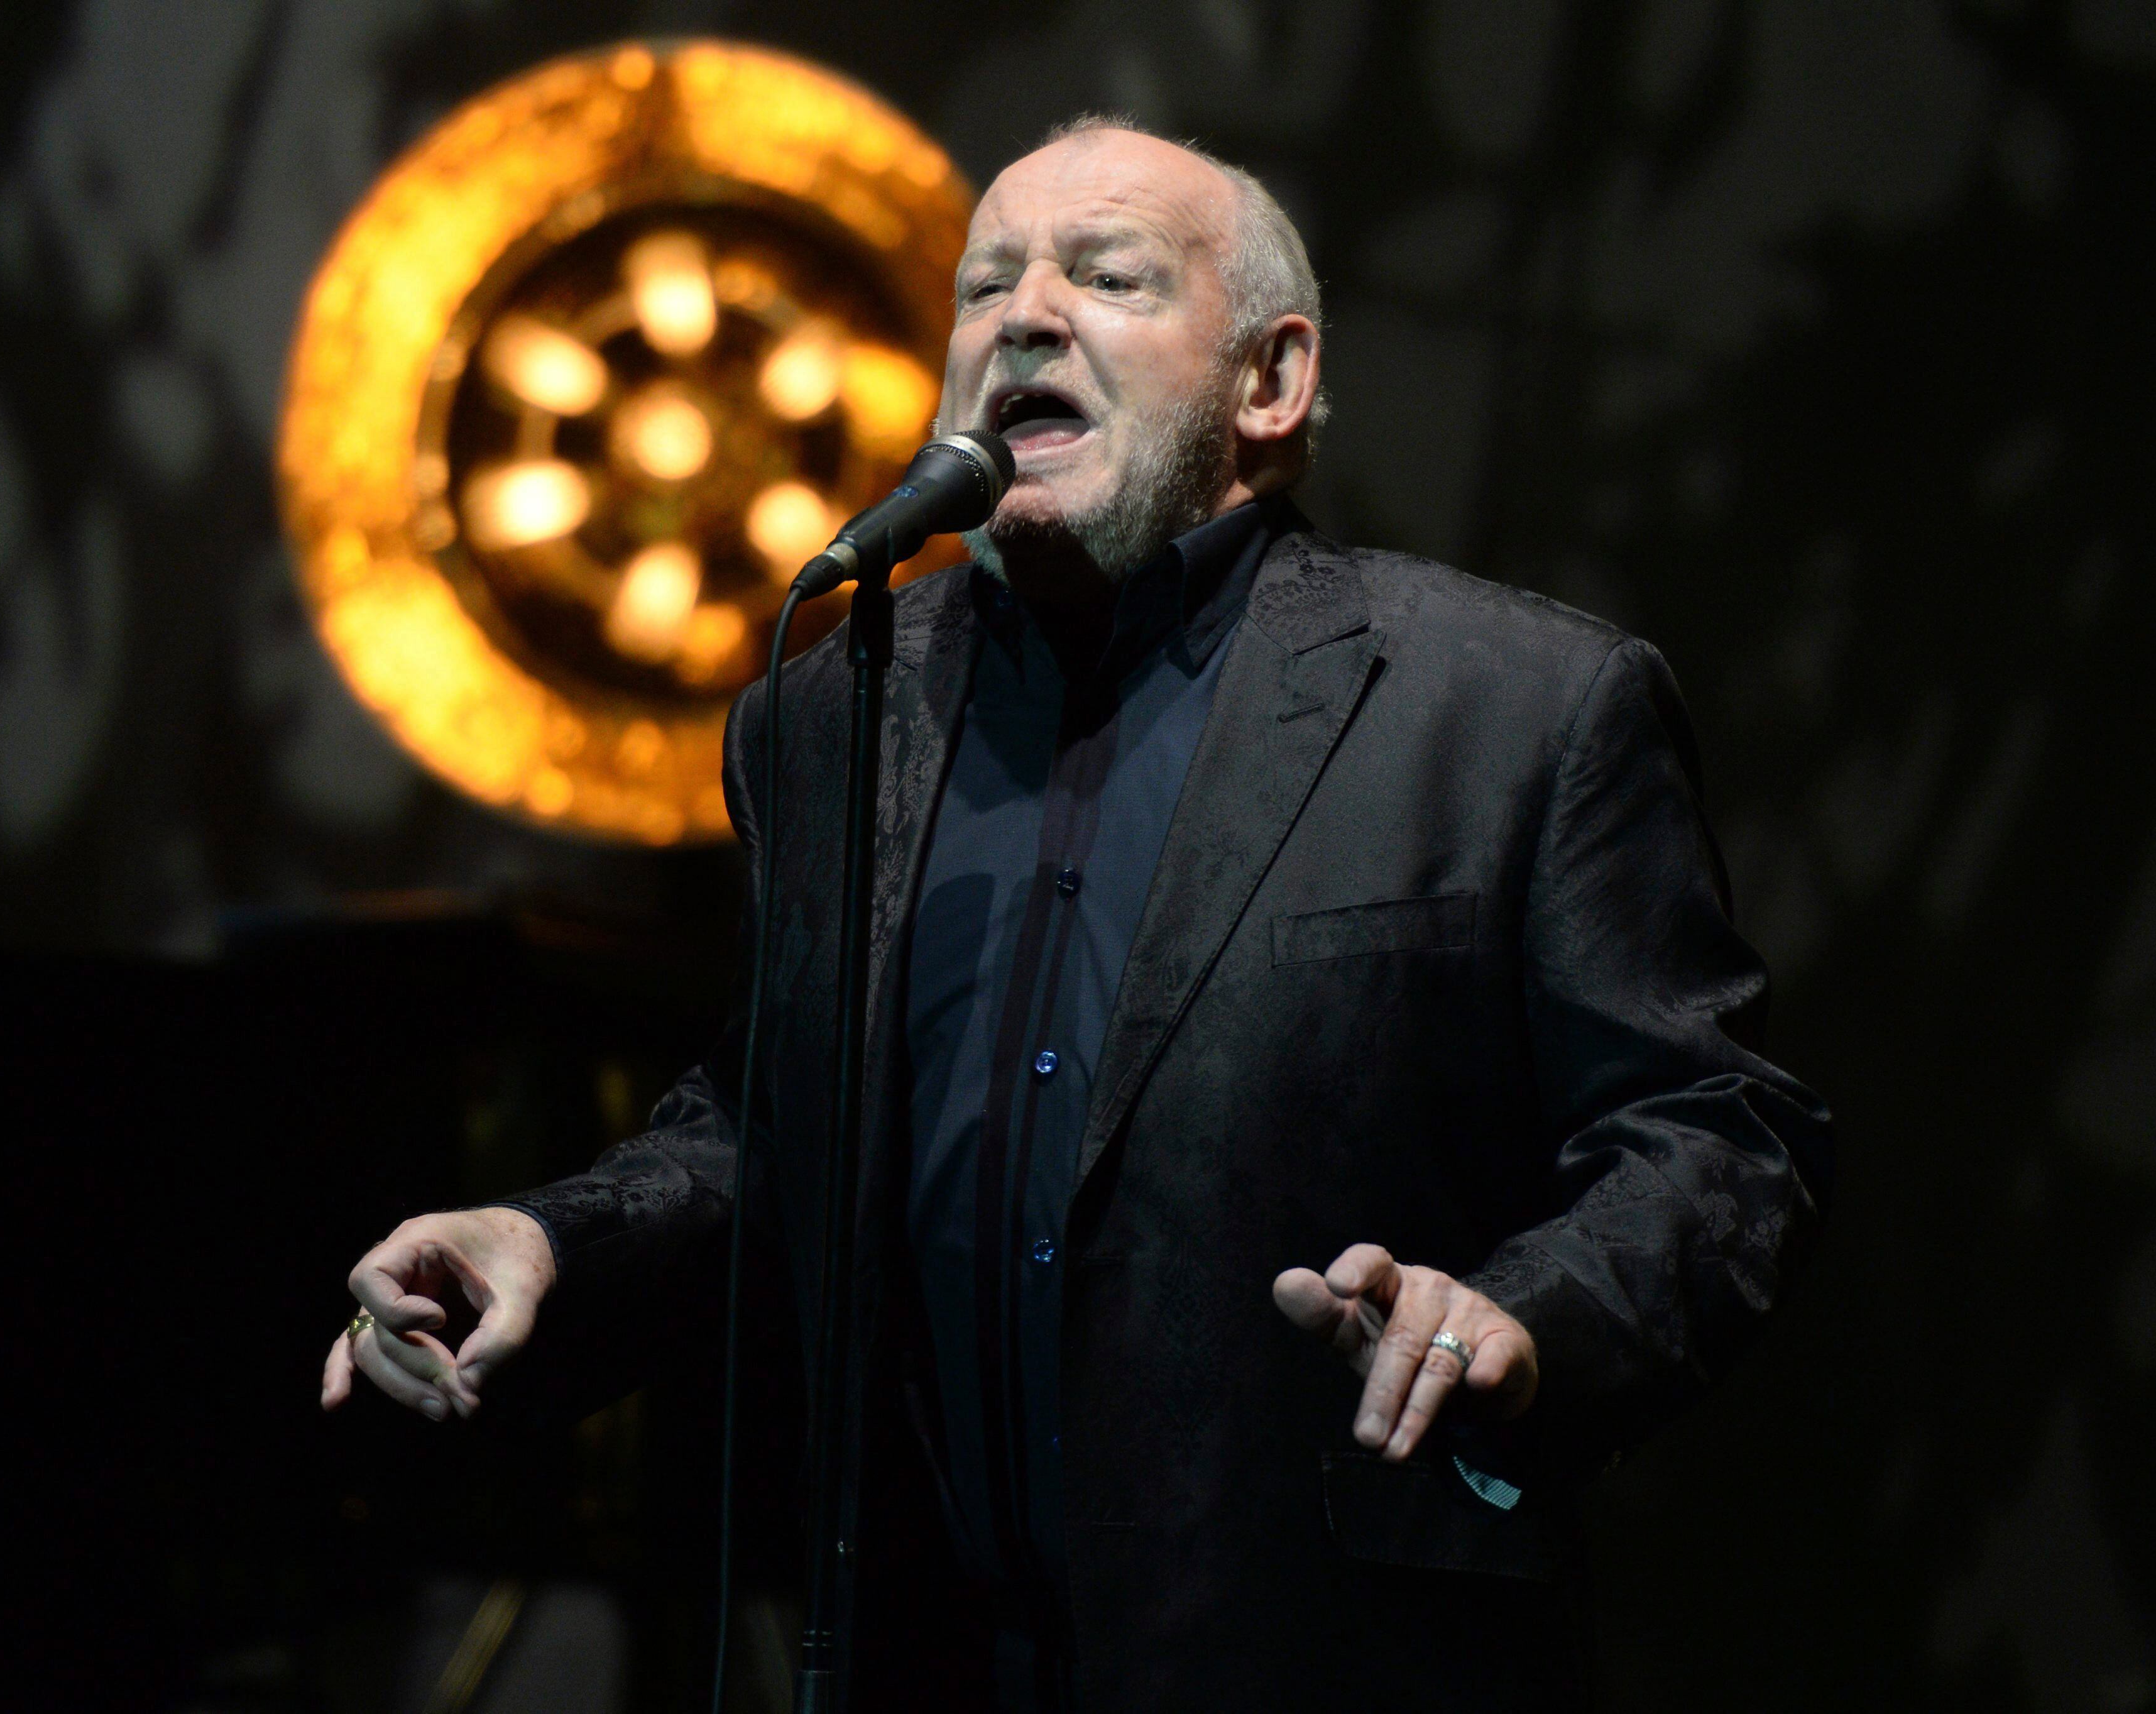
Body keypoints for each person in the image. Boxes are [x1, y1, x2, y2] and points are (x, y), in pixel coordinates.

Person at [320, 116, 1830, 1711]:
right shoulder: (827, 716)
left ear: (1270, 383)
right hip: (924, 1662)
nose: (1021, 316)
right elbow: (775, 1130)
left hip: (1324, 1658)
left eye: (1105, 275)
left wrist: (1521, 1316)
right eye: (984, 288)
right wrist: (551, 1241)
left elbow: (1716, 1130)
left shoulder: (1515, 706)